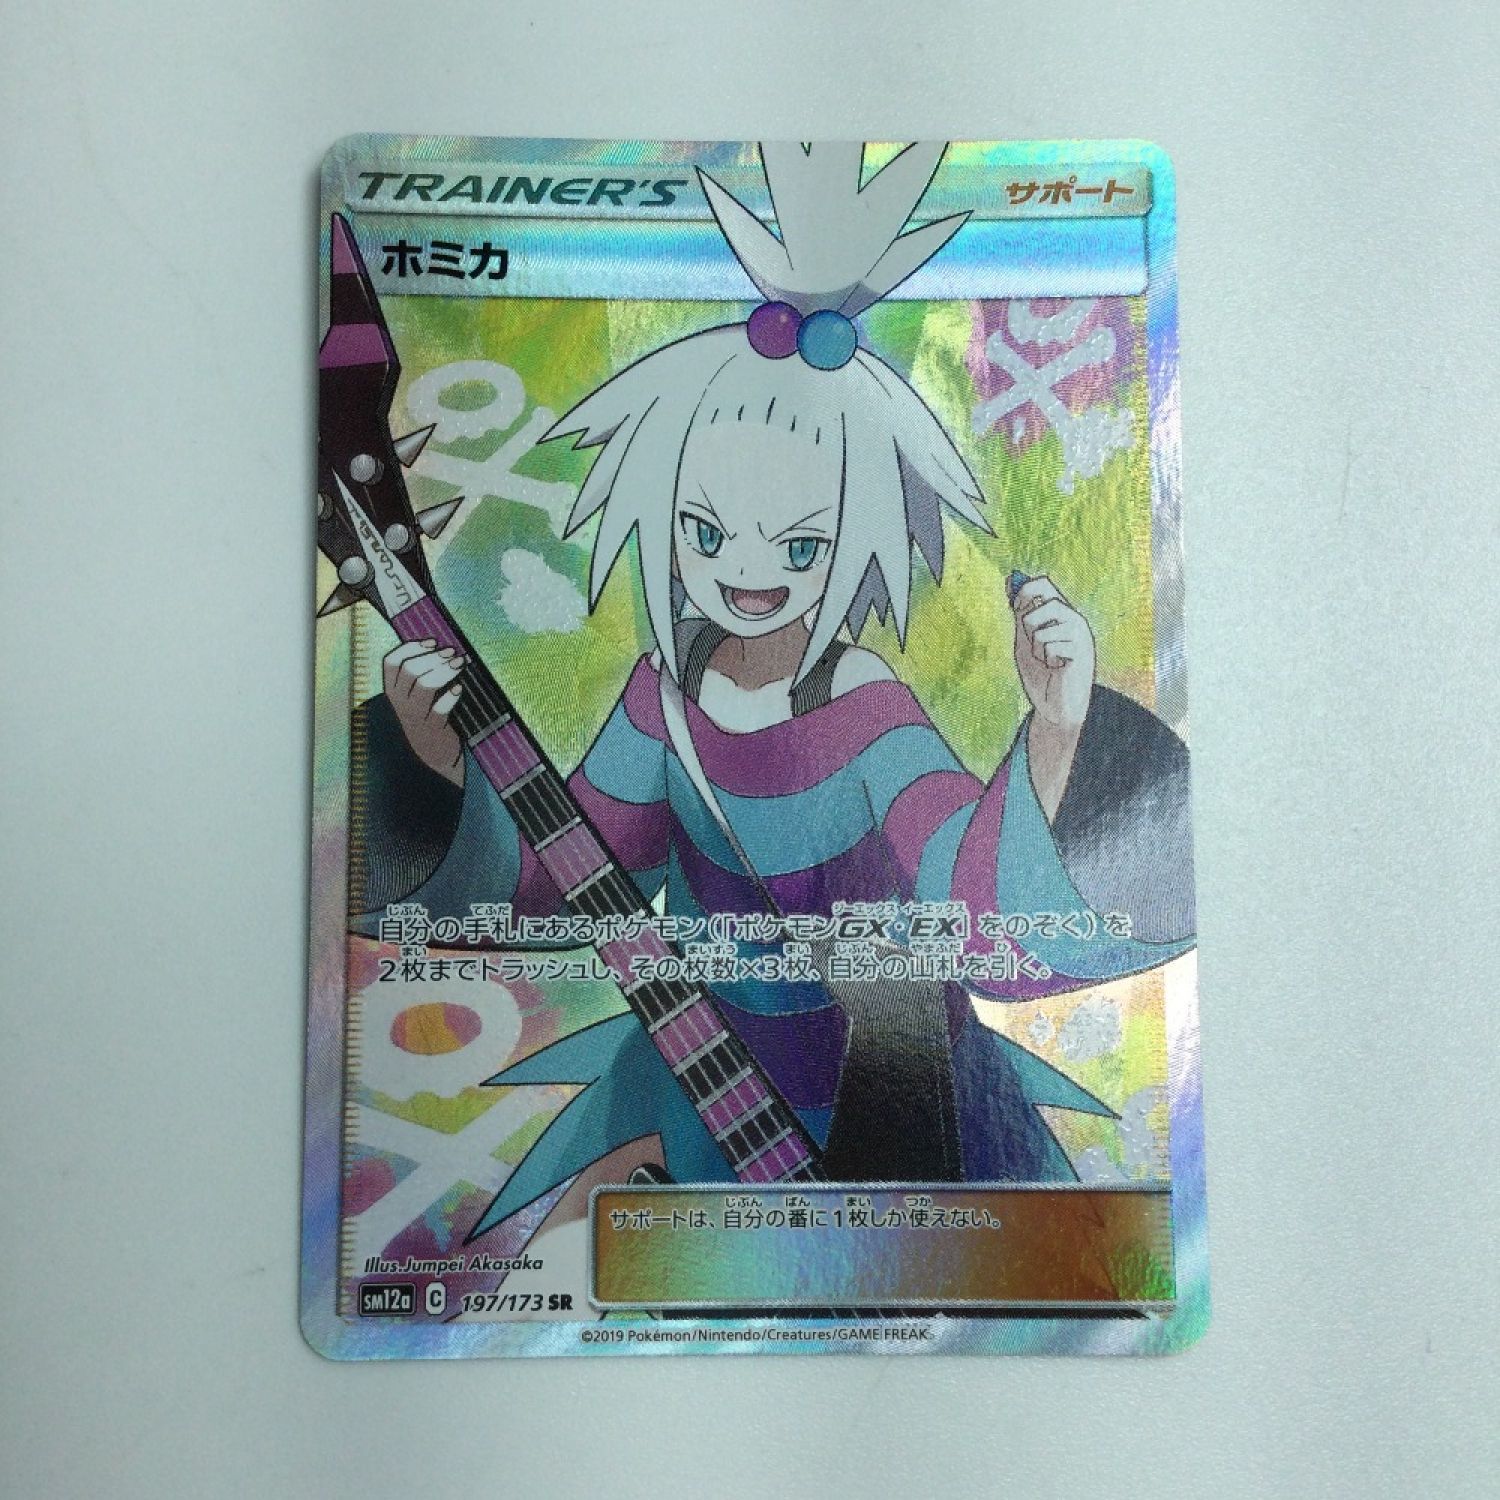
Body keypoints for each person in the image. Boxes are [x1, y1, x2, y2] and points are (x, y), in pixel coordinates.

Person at [357, 142, 1194, 1240]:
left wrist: (1059, 726)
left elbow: (968, 895)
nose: (748, 572)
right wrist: (440, 763)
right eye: (706, 535)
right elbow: (575, 884)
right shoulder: (660, 701)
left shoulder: (869, 711)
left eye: (800, 547)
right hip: (701, 1077)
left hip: (901, 1096)